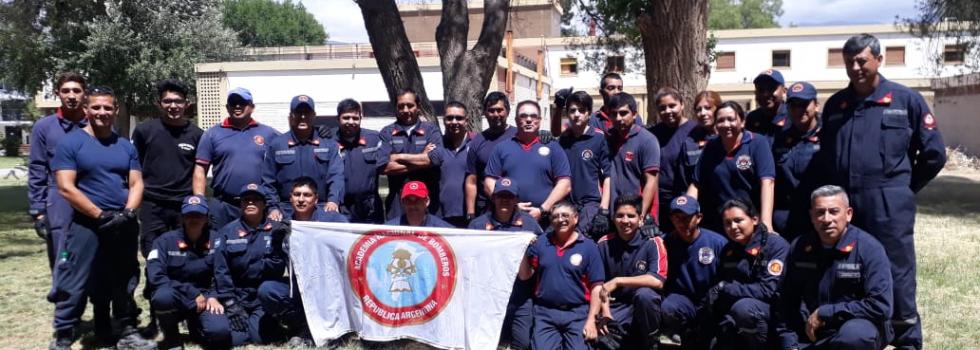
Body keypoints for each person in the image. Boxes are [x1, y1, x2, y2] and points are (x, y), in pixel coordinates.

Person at [819, 34, 947, 350]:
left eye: (862, 60)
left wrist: (903, 187)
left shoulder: (906, 100)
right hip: (847, 204)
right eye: (850, 62)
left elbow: (934, 154)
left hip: (889, 202)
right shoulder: (836, 106)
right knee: (848, 268)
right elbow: (826, 156)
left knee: (897, 270)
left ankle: (906, 340)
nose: (856, 67)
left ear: (879, 58)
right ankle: (858, 334)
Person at [50, 86, 156, 350]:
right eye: (96, 107)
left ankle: (126, 330)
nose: (102, 112)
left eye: (108, 107)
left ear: (115, 110)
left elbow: (137, 183)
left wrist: (128, 213)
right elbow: (66, 186)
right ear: (86, 109)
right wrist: (99, 215)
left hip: (123, 223)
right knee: (76, 278)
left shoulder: (124, 146)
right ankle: (64, 332)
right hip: (87, 224)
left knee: (124, 277)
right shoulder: (71, 143)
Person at [774, 185, 894, 350]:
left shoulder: (869, 249)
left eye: (834, 211)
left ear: (848, 214)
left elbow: (881, 306)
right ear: (812, 216)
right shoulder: (800, 247)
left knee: (854, 336)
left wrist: (827, 312)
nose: (827, 218)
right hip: (813, 332)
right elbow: (785, 300)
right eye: (820, 212)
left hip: (854, 330)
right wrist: (789, 344)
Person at [131, 79, 205, 336]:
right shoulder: (144, 131)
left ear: (187, 104)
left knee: (186, 262)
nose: (173, 106)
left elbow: (199, 173)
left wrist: (199, 203)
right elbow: (134, 170)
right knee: (155, 261)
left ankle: (190, 315)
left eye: (178, 101)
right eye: (168, 101)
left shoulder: (197, 135)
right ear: (159, 103)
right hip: (153, 207)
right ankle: (157, 316)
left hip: (184, 210)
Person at [258, 178, 347, 348]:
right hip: (299, 286)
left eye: (306, 195)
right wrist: (276, 243)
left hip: (329, 287)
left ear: (316, 199)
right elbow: (276, 268)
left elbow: (349, 243)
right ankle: (302, 327)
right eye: (297, 194)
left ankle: (335, 329)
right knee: (267, 290)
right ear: (290, 198)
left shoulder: (332, 219)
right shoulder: (283, 224)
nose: (301, 199)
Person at [208, 183, 291, 346]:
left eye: (255, 200)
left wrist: (278, 244)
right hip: (237, 295)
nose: (250, 203)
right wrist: (230, 303)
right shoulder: (226, 232)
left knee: (260, 339)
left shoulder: (278, 231)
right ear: (241, 204)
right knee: (236, 340)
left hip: (263, 297)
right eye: (246, 200)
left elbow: (285, 266)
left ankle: (273, 322)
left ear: (264, 204)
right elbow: (221, 271)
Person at [468, 177, 543, 350]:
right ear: (493, 198)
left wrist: (523, 247)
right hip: (487, 297)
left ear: (516, 200)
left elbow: (528, 273)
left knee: (523, 344)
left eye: (509, 196)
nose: (504, 200)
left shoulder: (529, 224)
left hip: (519, 297)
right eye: (500, 195)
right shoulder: (477, 225)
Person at [519, 201, 605, 350]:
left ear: (576, 218)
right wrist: (521, 252)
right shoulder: (541, 243)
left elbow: (597, 287)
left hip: (578, 313)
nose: (560, 220)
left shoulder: (589, 247)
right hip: (545, 312)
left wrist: (591, 320)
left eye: (565, 215)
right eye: (555, 217)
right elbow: (525, 276)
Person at [707, 199, 789, 349]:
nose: (733, 227)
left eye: (738, 220)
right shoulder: (729, 250)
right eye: (727, 223)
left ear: (754, 219)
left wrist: (727, 288)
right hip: (739, 315)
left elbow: (768, 290)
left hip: (777, 313)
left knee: (744, 308)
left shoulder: (775, 246)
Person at [194, 87, 280, 229]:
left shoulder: (268, 133)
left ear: (252, 107)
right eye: (233, 103)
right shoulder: (212, 134)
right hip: (223, 206)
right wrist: (200, 201)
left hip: (257, 205)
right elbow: (200, 170)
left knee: (257, 248)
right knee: (219, 247)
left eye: (242, 102)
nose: (238, 106)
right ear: (227, 107)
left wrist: (319, 132)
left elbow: (291, 142)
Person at [145, 194, 224, 350]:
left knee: (220, 333)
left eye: (198, 215)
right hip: (177, 295)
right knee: (162, 296)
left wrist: (214, 296)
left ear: (206, 218)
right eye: (189, 215)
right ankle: (172, 338)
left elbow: (222, 273)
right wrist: (192, 292)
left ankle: (196, 327)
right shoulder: (164, 241)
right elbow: (156, 276)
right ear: (182, 218)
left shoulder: (217, 240)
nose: (194, 219)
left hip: (206, 297)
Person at [28, 72, 87, 270]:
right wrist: (38, 211)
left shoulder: (97, 124)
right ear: (57, 94)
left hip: (93, 195)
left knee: (94, 260)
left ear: (84, 94)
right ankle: (64, 299)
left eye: (76, 91)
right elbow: (37, 169)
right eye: (66, 91)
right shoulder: (44, 127)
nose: (71, 96)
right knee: (62, 259)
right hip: (59, 201)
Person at [687, 101, 775, 233]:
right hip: (721, 223)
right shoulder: (711, 147)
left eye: (731, 119)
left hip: (750, 221)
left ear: (743, 122)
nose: (726, 124)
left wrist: (766, 222)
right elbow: (696, 184)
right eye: (721, 120)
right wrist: (687, 213)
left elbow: (767, 182)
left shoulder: (757, 142)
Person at [596, 194, 668, 350]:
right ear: (613, 218)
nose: (625, 221)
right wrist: (606, 314)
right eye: (620, 216)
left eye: (631, 216)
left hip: (642, 304)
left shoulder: (653, 241)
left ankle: (652, 341)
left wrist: (618, 281)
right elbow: (600, 285)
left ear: (640, 218)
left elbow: (658, 280)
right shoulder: (603, 244)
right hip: (615, 305)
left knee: (645, 295)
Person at [485, 100, 571, 226]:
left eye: (533, 116)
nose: (529, 120)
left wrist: (542, 209)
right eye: (523, 116)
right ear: (516, 120)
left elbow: (565, 184)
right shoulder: (501, 148)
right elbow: (489, 182)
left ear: (540, 120)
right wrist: (510, 205)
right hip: (509, 221)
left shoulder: (553, 147)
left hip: (546, 221)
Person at [659, 195, 728, 348]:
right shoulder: (665, 243)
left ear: (698, 218)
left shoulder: (718, 242)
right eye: (677, 218)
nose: (682, 223)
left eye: (687, 217)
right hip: (683, 301)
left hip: (712, 302)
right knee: (668, 307)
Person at [262, 94, 344, 220]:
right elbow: (268, 181)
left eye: (307, 113)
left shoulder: (328, 144)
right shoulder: (277, 145)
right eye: (298, 113)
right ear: (291, 117)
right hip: (285, 210)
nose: (303, 117)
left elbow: (336, 176)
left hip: (321, 208)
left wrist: (333, 201)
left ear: (314, 115)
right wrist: (272, 207)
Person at [380, 88, 445, 221]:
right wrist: (423, 159)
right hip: (398, 202)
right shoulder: (387, 132)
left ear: (418, 107)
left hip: (428, 199)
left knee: (429, 240)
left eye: (410, 105)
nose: (405, 110)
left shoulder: (431, 130)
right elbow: (383, 166)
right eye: (401, 106)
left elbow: (436, 159)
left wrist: (398, 157)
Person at [557, 91, 612, 238]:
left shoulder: (599, 138)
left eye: (581, 110)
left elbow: (608, 176)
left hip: (591, 204)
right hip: (567, 203)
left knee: (581, 239)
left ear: (589, 113)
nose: (577, 114)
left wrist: (603, 210)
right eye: (572, 110)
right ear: (567, 113)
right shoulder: (563, 140)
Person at [771, 82, 822, 237]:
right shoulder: (780, 139)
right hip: (784, 219)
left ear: (816, 105)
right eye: (793, 105)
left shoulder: (828, 136)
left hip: (816, 219)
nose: (798, 110)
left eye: (804, 104)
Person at [605, 93, 661, 229]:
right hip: (615, 215)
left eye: (623, 113)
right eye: (614, 114)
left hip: (639, 217)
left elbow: (651, 181)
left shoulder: (647, 140)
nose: (618, 118)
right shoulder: (607, 138)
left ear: (634, 114)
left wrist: (641, 215)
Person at [649, 87, 698, 233]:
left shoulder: (695, 130)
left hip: (688, 200)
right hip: (662, 203)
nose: (668, 111)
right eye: (662, 108)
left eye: (672, 105)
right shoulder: (652, 134)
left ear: (682, 104)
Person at [335, 98, 389, 224]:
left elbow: (388, 159)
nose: (351, 122)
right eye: (346, 117)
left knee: (373, 242)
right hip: (342, 206)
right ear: (338, 118)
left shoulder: (374, 139)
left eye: (355, 118)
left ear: (361, 118)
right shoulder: (330, 141)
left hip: (371, 205)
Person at [465, 92, 517, 217]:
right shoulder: (477, 141)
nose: (495, 115)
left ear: (508, 111)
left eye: (499, 110)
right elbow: (471, 180)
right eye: (491, 111)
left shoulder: (519, 135)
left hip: (517, 205)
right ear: (485, 113)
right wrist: (470, 212)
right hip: (487, 208)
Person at [436, 101, 473, 227]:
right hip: (439, 216)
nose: (454, 122)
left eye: (459, 118)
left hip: (470, 216)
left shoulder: (476, 144)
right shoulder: (436, 145)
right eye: (449, 118)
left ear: (467, 121)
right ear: (443, 121)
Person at [678, 91, 722, 191]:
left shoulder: (730, 138)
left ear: (718, 109)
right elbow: (683, 182)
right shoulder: (689, 143)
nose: (703, 113)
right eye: (698, 110)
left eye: (708, 108)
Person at [385, 181, 454, 228]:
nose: (412, 205)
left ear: (427, 201)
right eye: (408, 201)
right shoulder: (389, 229)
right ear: (403, 203)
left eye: (417, 200)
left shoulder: (444, 229)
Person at [745, 69, 789, 140]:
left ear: (784, 91)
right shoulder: (751, 119)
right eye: (761, 89)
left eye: (771, 88)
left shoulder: (793, 117)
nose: (765, 94)